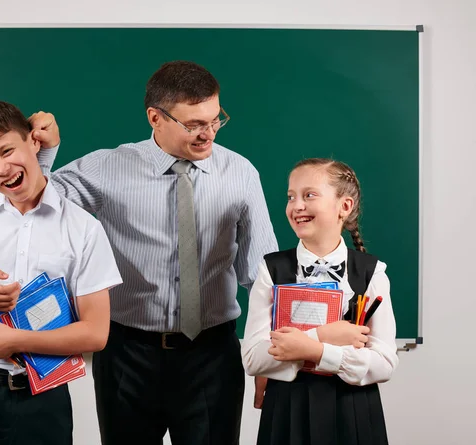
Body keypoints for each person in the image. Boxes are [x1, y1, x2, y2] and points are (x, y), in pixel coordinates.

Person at [29, 60, 279, 445]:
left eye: (215, 120)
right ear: (155, 117)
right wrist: (45, 154)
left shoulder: (240, 173)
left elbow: (262, 276)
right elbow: (35, 207)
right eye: (193, 124)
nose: (208, 134)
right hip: (127, 356)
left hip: (212, 356)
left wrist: (271, 354)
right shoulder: (108, 167)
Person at [0, 100, 122, 445]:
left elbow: (96, 334)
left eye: (7, 151)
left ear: (35, 143)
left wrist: (16, 341)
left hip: (43, 397)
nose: (1, 169)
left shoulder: (83, 230)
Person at [241, 158, 398, 445]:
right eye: (291, 197)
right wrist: (322, 337)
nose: (296, 205)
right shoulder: (271, 270)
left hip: (353, 409)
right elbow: (252, 359)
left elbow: (384, 362)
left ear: (345, 206)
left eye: (309, 195)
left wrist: (312, 350)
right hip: (286, 409)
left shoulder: (372, 273)